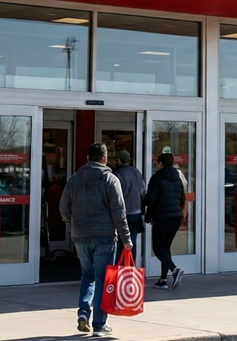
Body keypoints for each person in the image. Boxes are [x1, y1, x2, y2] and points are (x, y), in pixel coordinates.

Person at [60, 143, 132, 337]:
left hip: (81, 235)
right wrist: (126, 239)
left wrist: (73, 223)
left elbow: (63, 207)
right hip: (104, 236)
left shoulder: (74, 180)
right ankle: (99, 324)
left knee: (87, 275)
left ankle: (83, 312)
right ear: (105, 158)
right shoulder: (110, 179)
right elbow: (119, 212)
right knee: (102, 279)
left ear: (87, 158)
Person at [143, 152, 186, 290]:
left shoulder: (157, 178)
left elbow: (150, 199)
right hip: (175, 217)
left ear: (161, 163)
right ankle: (162, 280)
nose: (155, 164)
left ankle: (174, 270)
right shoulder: (177, 178)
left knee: (157, 248)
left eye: (157, 162)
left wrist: (141, 204)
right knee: (166, 248)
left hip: (162, 217)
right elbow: (182, 198)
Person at [111, 150, 145, 261]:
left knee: (120, 242)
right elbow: (143, 192)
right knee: (132, 241)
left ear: (119, 161)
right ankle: (131, 268)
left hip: (122, 213)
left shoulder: (117, 175)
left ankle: (120, 270)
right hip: (136, 212)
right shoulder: (137, 173)